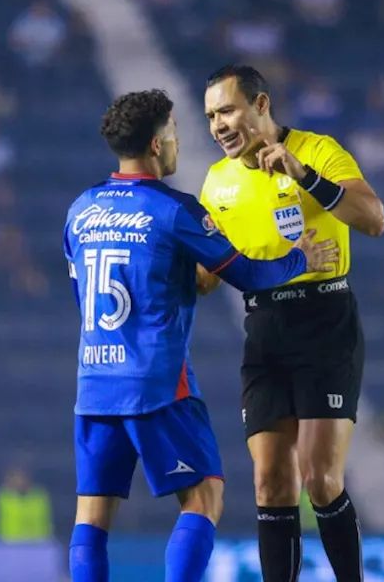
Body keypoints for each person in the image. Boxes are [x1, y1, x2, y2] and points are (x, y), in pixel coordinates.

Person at [63, 89, 338, 582]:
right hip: (158, 380)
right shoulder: (175, 210)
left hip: (95, 381)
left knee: (92, 516)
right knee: (204, 497)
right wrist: (301, 258)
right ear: (154, 143)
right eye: (173, 132)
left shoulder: (80, 211)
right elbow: (248, 277)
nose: (178, 142)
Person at [197, 65, 384, 582]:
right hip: (263, 328)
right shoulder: (217, 181)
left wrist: (304, 175)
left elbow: (373, 219)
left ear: (260, 106)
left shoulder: (319, 150)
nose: (217, 124)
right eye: (211, 115)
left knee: (320, 479)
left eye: (227, 110)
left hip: (325, 318)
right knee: (270, 483)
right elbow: (205, 277)